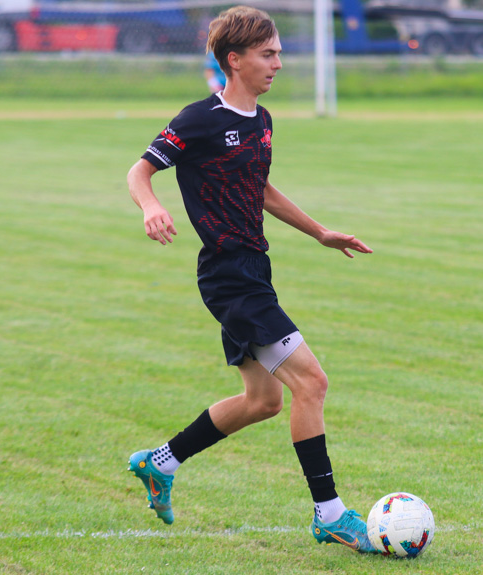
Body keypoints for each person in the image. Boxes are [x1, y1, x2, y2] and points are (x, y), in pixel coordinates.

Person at [125, 6, 377, 554]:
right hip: (229, 275)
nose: (278, 64)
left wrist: (319, 232)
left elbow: (259, 188)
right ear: (233, 60)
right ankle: (330, 513)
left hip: (253, 268)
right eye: (268, 54)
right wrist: (150, 207)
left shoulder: (260, 122)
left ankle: (159, 462)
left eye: (279, 53)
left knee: (263, 401)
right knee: (312, 383)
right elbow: (139, 169)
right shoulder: (199, 120)